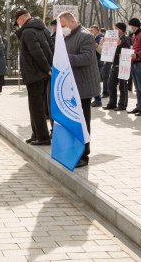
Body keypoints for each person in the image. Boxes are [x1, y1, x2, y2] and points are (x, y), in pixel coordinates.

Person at [59, 12, 100, 168]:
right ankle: (74, 151)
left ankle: (84, 155)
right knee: (73, 120)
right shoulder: (67, 36)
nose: (62, 28)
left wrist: (64, 57)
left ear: (73, 21)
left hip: (83, 86)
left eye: (63, 25)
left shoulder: (85, 36)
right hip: (71, 86)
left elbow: (87, 58)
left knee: (82, 122)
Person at [13, 9, 53, 146]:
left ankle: (43, 136)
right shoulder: (43, 29)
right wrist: (49, 67)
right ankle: (36, 133)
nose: (18, 26)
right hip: (43, 73)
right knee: (37, 106)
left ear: (20, 20)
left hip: (35, 73)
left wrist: (47, 68)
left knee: (36, 107)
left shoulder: (28, 31)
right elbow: (51, 48)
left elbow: (37, 52)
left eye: (17, 23)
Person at [104, 23, 131, 111]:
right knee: (111, 84)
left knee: (122, 86)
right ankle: (112, 103)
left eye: (116, 28)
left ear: (121, 30)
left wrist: (119, 46)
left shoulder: (125, 38)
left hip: (122, 65)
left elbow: (126, 51)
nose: (114, 30)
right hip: (114, 64)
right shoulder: (114, 39)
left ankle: (122, 104)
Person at [89, 25, 105, 107]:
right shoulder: (93, 37)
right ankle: (96, 99)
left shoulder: (101, 38)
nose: (90, 31)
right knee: (94, 82)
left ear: (96, 30)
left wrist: (96, 45)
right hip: (94, 62)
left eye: (92, 30)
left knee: (96, 82)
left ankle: (98, 100)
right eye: (90, 30)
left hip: (98, 63)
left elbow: (102, 51)